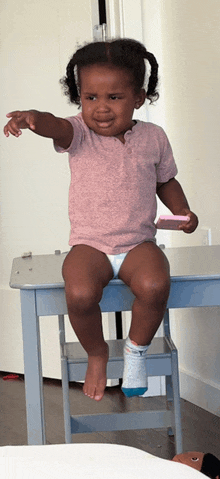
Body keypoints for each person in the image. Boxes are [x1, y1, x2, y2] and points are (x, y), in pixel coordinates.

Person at [4, 38, 198, 402]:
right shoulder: (78, 133)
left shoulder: (153, 137)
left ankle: (135, 352)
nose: (101, 109)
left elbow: (166, 180)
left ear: (138, 97)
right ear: (79, 98)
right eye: (90, 97)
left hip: (138, 243)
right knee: (78, 294)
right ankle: (97, 353)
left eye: (114, 98)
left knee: (156, 285)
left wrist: (183, 212)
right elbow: (56, 126)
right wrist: (34, 119)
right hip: (90, 244)